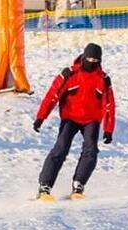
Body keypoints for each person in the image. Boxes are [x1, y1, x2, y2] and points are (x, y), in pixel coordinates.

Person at [33, 41, 118, 201]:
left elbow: (109, 105)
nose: (92, 63)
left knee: (91, 150)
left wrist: (108, 129)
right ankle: (45, 186)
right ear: (83, 57)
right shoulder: (69, 74)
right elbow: (52, 96)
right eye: (89, 59)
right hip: (70, 118)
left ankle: (79, 185)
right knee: (61, 148)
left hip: (91, 120)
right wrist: (40, 117)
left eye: (96, 61)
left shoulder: (103, 79)